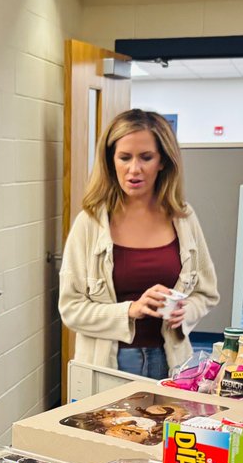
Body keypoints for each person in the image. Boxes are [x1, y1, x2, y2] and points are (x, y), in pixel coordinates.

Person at [59, 108, 219, 380]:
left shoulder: (184, 217)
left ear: (163, 162)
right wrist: (129, 310)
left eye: (146, 157)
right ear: (111, 161)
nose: (134, 169)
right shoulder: (90, 223)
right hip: (107, 365)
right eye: (124, 157)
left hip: (170, 361)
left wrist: (185, 312)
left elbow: (206, 294)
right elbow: (70, 309)